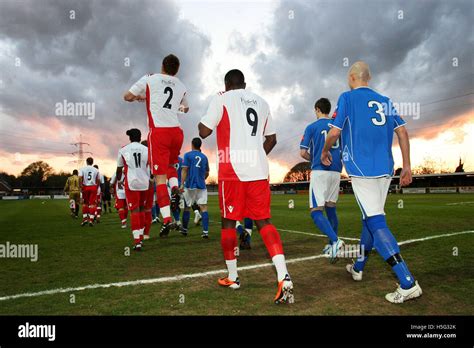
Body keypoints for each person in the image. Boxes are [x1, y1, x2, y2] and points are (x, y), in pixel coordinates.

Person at [321, 61, 422, 303]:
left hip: (361, 167)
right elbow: (403, 131)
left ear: (351, 77)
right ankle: (358, 267)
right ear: (369, 77)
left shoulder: (347, 98)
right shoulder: (385, 100)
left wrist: (324, 151)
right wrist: (406, 166)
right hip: (385, 169)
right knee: (370, 217)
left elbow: (334, 133)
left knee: (376, 220)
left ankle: (407, 282)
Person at [199, 69, 294, 304]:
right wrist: (255, 156)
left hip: (232, 171)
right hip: (258, 170)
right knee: (264, 221)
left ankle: (233, 276)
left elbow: (203, 131)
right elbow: (271, 139)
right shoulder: (262, 101)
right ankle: (284, 276)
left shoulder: (221, 98)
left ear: (226, 84)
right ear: (244, 84)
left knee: (228, 222)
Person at [124, 54, 189, 238]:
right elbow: (186, 109)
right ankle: (175, 188)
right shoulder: (181, 85)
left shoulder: (150, 78)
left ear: (162, 65)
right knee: (170, 167)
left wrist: (139, 98)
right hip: (177, 132)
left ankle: (167, 218)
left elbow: (127, 96)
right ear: (176, 69)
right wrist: (171, 107)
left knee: (159, 178)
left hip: (159, 132)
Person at [300, 98, 344, 263]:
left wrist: (314, 159)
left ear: (317, 109)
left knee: (316, 211)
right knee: (331, 208)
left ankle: (335, 241)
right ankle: (333, 246)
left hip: (320, 170)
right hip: (336, 171)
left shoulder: (312, 127)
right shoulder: (337, 125)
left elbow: (303, 153)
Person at [116, 129, 150, 251]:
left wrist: (118, 180)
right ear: (140, 137)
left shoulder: (124, 149)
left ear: (130, 138)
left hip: (131, 183)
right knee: (141, 209)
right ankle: (140, 236)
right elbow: (150, 165)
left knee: (134, 210)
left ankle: (137, 241)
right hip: (144, 182)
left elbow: (119, 169)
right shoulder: (147, 149)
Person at [180, 137, 210, 238]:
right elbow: (207, 172)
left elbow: (184, 170)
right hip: (201, 185)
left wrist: (181, 184)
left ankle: (184, 229)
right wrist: (202, 179)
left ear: (192, 144)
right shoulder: (204, 157)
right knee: (204, 208)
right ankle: (205, 232)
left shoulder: (187, 155)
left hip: (190, 184)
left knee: (187, 207)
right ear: (200, 145)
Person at [79, 157, 100, 227]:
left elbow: (80, 178)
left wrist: (80, 186)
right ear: (92, 162)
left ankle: (85, 219)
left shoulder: (82, 169)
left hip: (85, 186)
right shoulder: (96, 170)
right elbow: (98, 180)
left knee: (85, 203)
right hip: (93, 187)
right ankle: (91, 220)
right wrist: (96, 187)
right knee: (93, 204)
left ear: (86, 162)